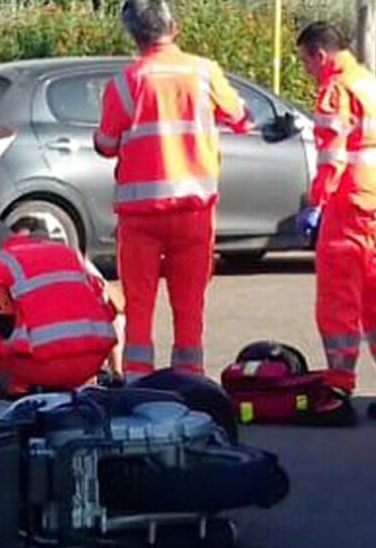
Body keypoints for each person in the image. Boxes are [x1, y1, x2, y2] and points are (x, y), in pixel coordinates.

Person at [94, 0, 250, 377]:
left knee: (139, 307)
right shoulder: (203, 73)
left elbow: (106, 144)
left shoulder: (125, 82)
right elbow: (241, 118)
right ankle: (189, 382)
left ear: (134, 37)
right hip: (192, 211)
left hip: (139, 215)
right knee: (189, 307)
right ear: (174, 28)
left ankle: (136, 381)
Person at [295, 22, 376, 425]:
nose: (307, 71)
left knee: (338, 296)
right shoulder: (373, 85)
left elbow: (332, 154)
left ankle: (336, 391)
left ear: (320, 54)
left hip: (351, 200)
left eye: (305, 62)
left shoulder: (337, 89)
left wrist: (317, 201)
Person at [0, 221, 117, 395]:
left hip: (43, 366)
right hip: (93, 361)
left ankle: (15, 386)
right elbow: (109, 308)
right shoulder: (67, 252)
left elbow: (4, 323)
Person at [8, 216, 126, 381]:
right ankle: (111, 375)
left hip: (54, 355)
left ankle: (113, 374)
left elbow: (117, 304)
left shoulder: (16, 268)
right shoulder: (71, 259)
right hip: (78, 353)